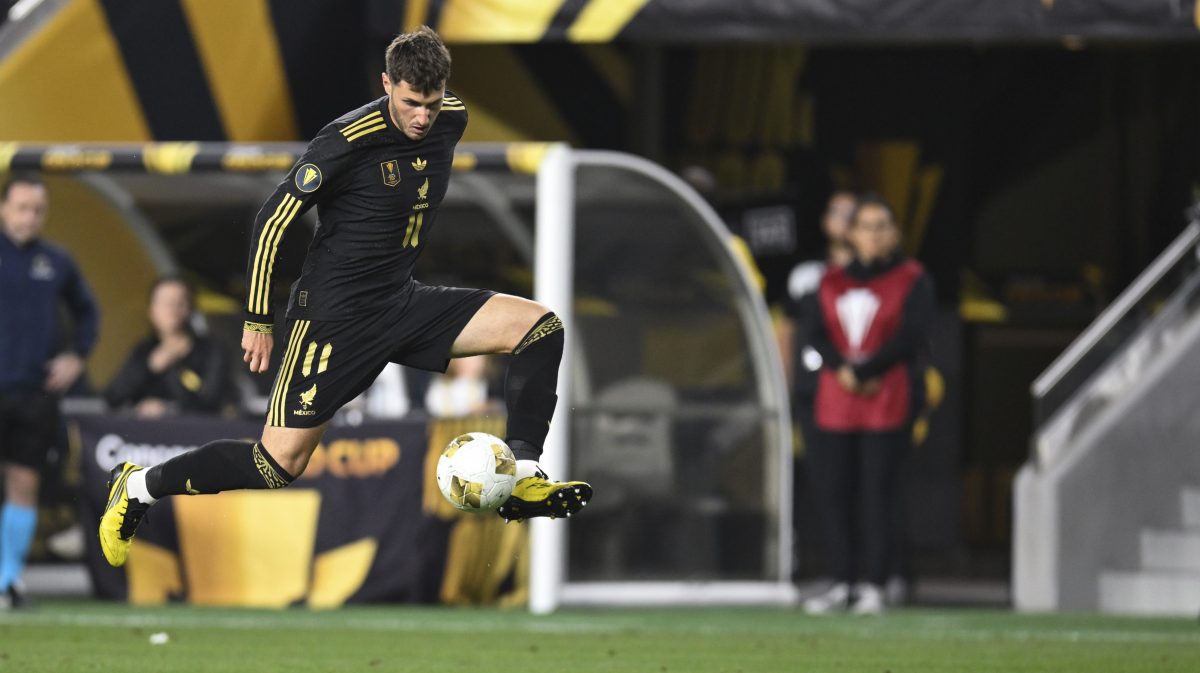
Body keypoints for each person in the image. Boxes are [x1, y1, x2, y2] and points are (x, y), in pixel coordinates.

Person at [98, 26, 592, 568]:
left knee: (539, 326)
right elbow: (271, 221)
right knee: (275, 466)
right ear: (386, 85)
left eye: (430, 103)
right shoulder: (346, 139)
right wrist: (258, 319)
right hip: (332, 320)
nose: (422, 117)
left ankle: (522, 476)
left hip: (401, 302)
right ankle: (140, 486)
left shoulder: (452, 119)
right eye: (409, 104)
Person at [800, 194, 933, 615]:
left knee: (879, 491)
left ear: (894, 234)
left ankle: (876, 581)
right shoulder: (828, 281)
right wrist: (843, 369)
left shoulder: (912, 278)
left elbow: (911, 335)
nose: (874, 235)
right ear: (851, 233)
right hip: (837, 398)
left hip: (886, 395)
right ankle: (842, 579)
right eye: (866, 226)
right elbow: (814, 333)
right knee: (836, 490)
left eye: (882, 226)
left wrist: (868, 370)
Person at [0, 173, 100, 607]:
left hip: (32, 394)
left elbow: (88, 311)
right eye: (22, 208)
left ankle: (6, 581)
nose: (30, 217)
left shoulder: (56, 261)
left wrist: (76, 356)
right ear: (4, 207)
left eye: (38, 209)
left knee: (24, 483)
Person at [105, 276, 231, 417]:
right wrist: (149, 367)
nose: (172, 309)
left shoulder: (211, 350)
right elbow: (113, 397)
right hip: (148, 435)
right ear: (151, 310)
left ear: (190, 308)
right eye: (165, 303)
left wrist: (169, 408)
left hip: (194, 433)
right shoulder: (144, 350)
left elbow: (212, 402)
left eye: (179, 302)